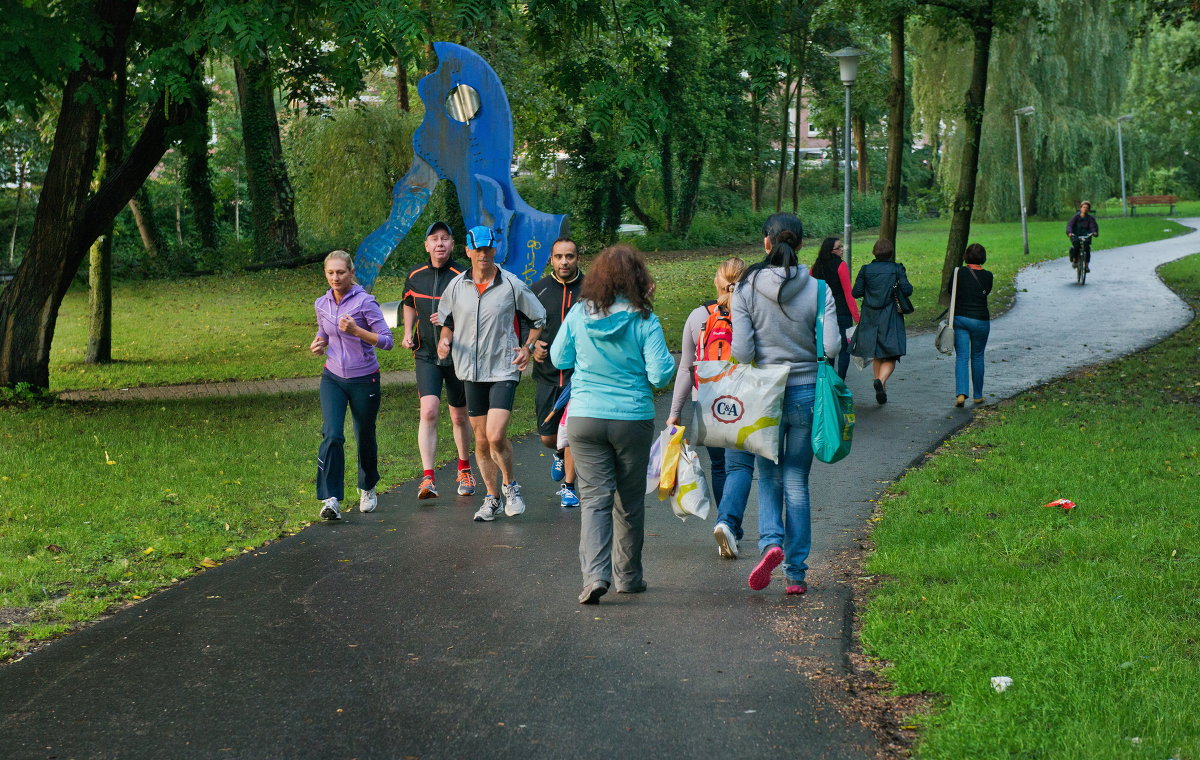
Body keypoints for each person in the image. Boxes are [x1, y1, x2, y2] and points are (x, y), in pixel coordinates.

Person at [550, 244, 675, 604]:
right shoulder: (644, 319)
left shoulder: (578, 313)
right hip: (631, 418)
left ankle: (594, 577)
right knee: (630, 501)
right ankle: (629, 577)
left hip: (585, 417)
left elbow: (559, 356)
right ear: (638, 278)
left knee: (594, 500)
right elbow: (660, 373)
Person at [731, 213, 840, 595]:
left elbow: (741, 351)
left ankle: (770, 543)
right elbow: (831, 347)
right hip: (807, 391)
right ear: (800, 245)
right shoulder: (819, 287)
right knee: (797, 480)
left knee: (769, 475)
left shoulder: (743, 288)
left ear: (766, 243)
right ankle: (796, 573)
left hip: (765, 395)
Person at [437, 225, 547, 522]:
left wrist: (527, 347)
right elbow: (446, 320)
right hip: (470, 371)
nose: (484, 254)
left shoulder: (511, 284)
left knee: (496, 435)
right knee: (481, 440)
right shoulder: (457, 286)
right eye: (478, 249)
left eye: (488, 248)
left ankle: (511, 485)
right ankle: (491, 496)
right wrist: (444, 339)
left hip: (502, 368)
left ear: (494, 250)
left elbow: (538, 318)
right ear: (468, 251)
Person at [665, 256, 755, 559]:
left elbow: (686, 368)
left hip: (707, 402)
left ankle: (725, 524)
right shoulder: (752, 312)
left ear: (717, 282)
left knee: (720, 466)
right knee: (739, 465)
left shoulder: (697, 316)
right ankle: (729, 525)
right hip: (743, 400)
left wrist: (675, 412)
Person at [310, 250, 394, 520]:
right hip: (332, 377)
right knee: (332, 434)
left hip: (364, 378)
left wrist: (357, 331)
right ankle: (330, 498)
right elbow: (324, 333)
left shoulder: (365, 303)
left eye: (341, 272)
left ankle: (367, 487)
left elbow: (387, 341)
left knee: (364, 435)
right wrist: (319, 343)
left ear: (351, 273)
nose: (335, 277)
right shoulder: (321, 303)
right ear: (326, 274)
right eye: (330, 272)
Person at [401, 221, 476, 501]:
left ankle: (464, 469)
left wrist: (449, 323)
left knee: (458, 415)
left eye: (445, 238)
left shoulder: (463, 274)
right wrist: (408, 332)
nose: (440, 244)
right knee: (429, 411)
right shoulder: (415, 275)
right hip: (426, 354)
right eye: (434, 239)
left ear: (453, 245)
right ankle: (428, 478)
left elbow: (473, 311)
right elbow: (408, 303)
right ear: (427, 246)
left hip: (458, 354)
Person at [530, 238, 585, 508]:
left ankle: (569, 486)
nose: (565, 262)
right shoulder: (537, 290)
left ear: (578, 258)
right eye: (559, 257)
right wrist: (531, 346)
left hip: (581, 377)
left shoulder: (592, 290)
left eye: (570, 256)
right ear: (551, 259)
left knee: (573, 433)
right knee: (548, 437)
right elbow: (523, 325)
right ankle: (559, 454)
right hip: (547, 374)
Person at [850, 238, 913, 405]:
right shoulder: (896, 268)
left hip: (870, 315)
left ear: (874, 252)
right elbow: (907, 290)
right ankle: (881, 381)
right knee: (892, 354)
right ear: (890, 253)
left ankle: (880, 387)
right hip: (890, 314)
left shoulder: (866, 269)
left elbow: (856, 292)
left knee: (877, 352)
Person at [810, 237, 860, 380]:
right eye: (838, 248)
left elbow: (811, 290)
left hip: (822, 312)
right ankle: (840, 382)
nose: (841, 250)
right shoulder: (841, 265)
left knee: (827, 349)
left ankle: (830, 381)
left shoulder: (815, 268)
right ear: (830, 250)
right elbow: (848, 293)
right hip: (841, 312)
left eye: (841, 247)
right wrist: (857, 318)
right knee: (844, 350)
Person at [952, 243, 994, 407]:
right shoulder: (988, 276)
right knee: (977, 356)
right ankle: (978, 395)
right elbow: (986, 292)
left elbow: (951, 290)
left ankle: (961, 394)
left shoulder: (958, 273)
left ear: (965, 257)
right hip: (981, 320)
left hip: (961, 319)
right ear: (983, 258)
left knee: (962, 356)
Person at [1066, 200, 1099, 272]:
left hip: (1086, 236)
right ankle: (1075, 260)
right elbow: (1070, 225)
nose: (1085, 209)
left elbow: (1093, 226)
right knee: (1076, 245)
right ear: (1081, 208)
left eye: (1087, 208)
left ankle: (1086, 266)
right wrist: (1070, 232)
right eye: (1084, 207)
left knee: (1087, 248)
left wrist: (1094, 232)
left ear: (1089, 209)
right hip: (1076, 235)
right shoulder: (1075, 217)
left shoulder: (1090, 218)